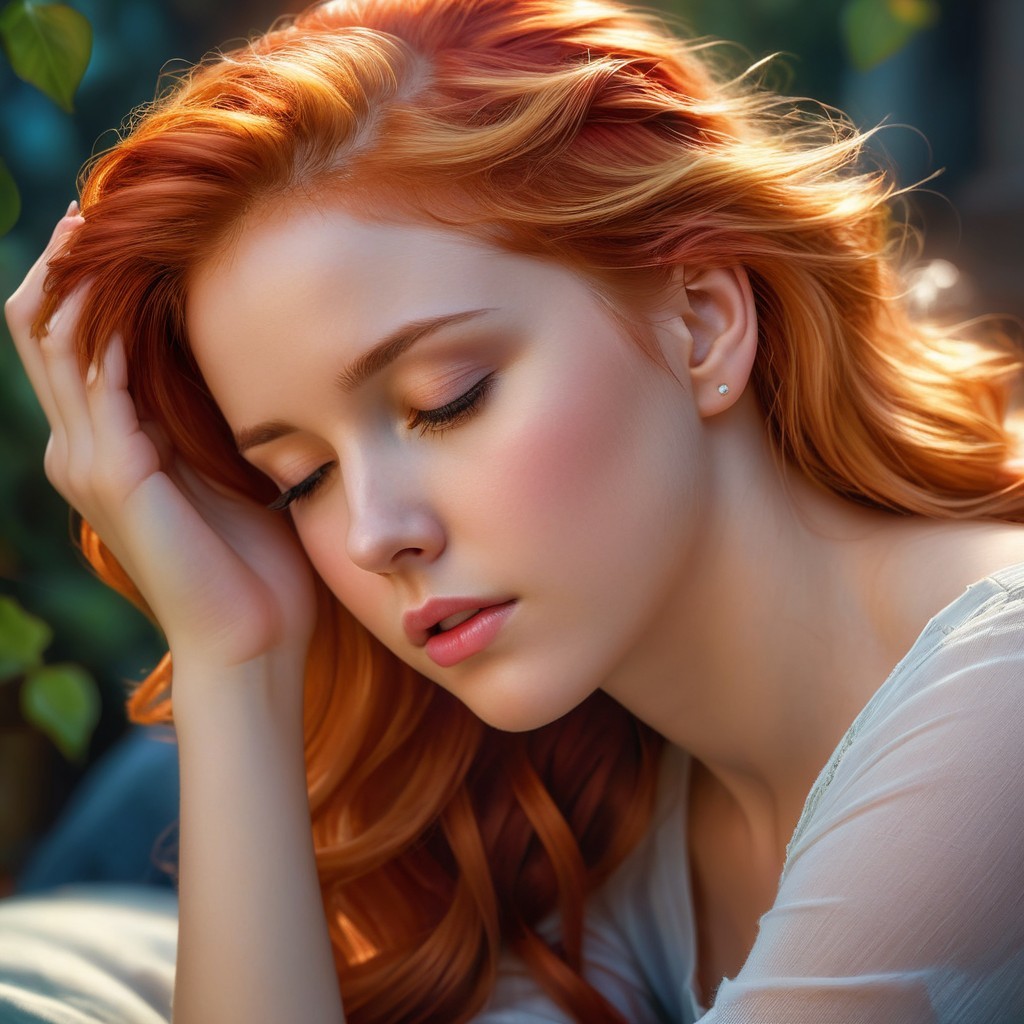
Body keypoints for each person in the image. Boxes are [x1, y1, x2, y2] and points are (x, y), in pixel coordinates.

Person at [5, 0, 1024, 1021]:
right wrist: (235, 658)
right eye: (302, 478)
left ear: (703, 321)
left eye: (447, 400)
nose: (373, 533)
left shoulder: (1001, 696)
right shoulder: (603, 797)